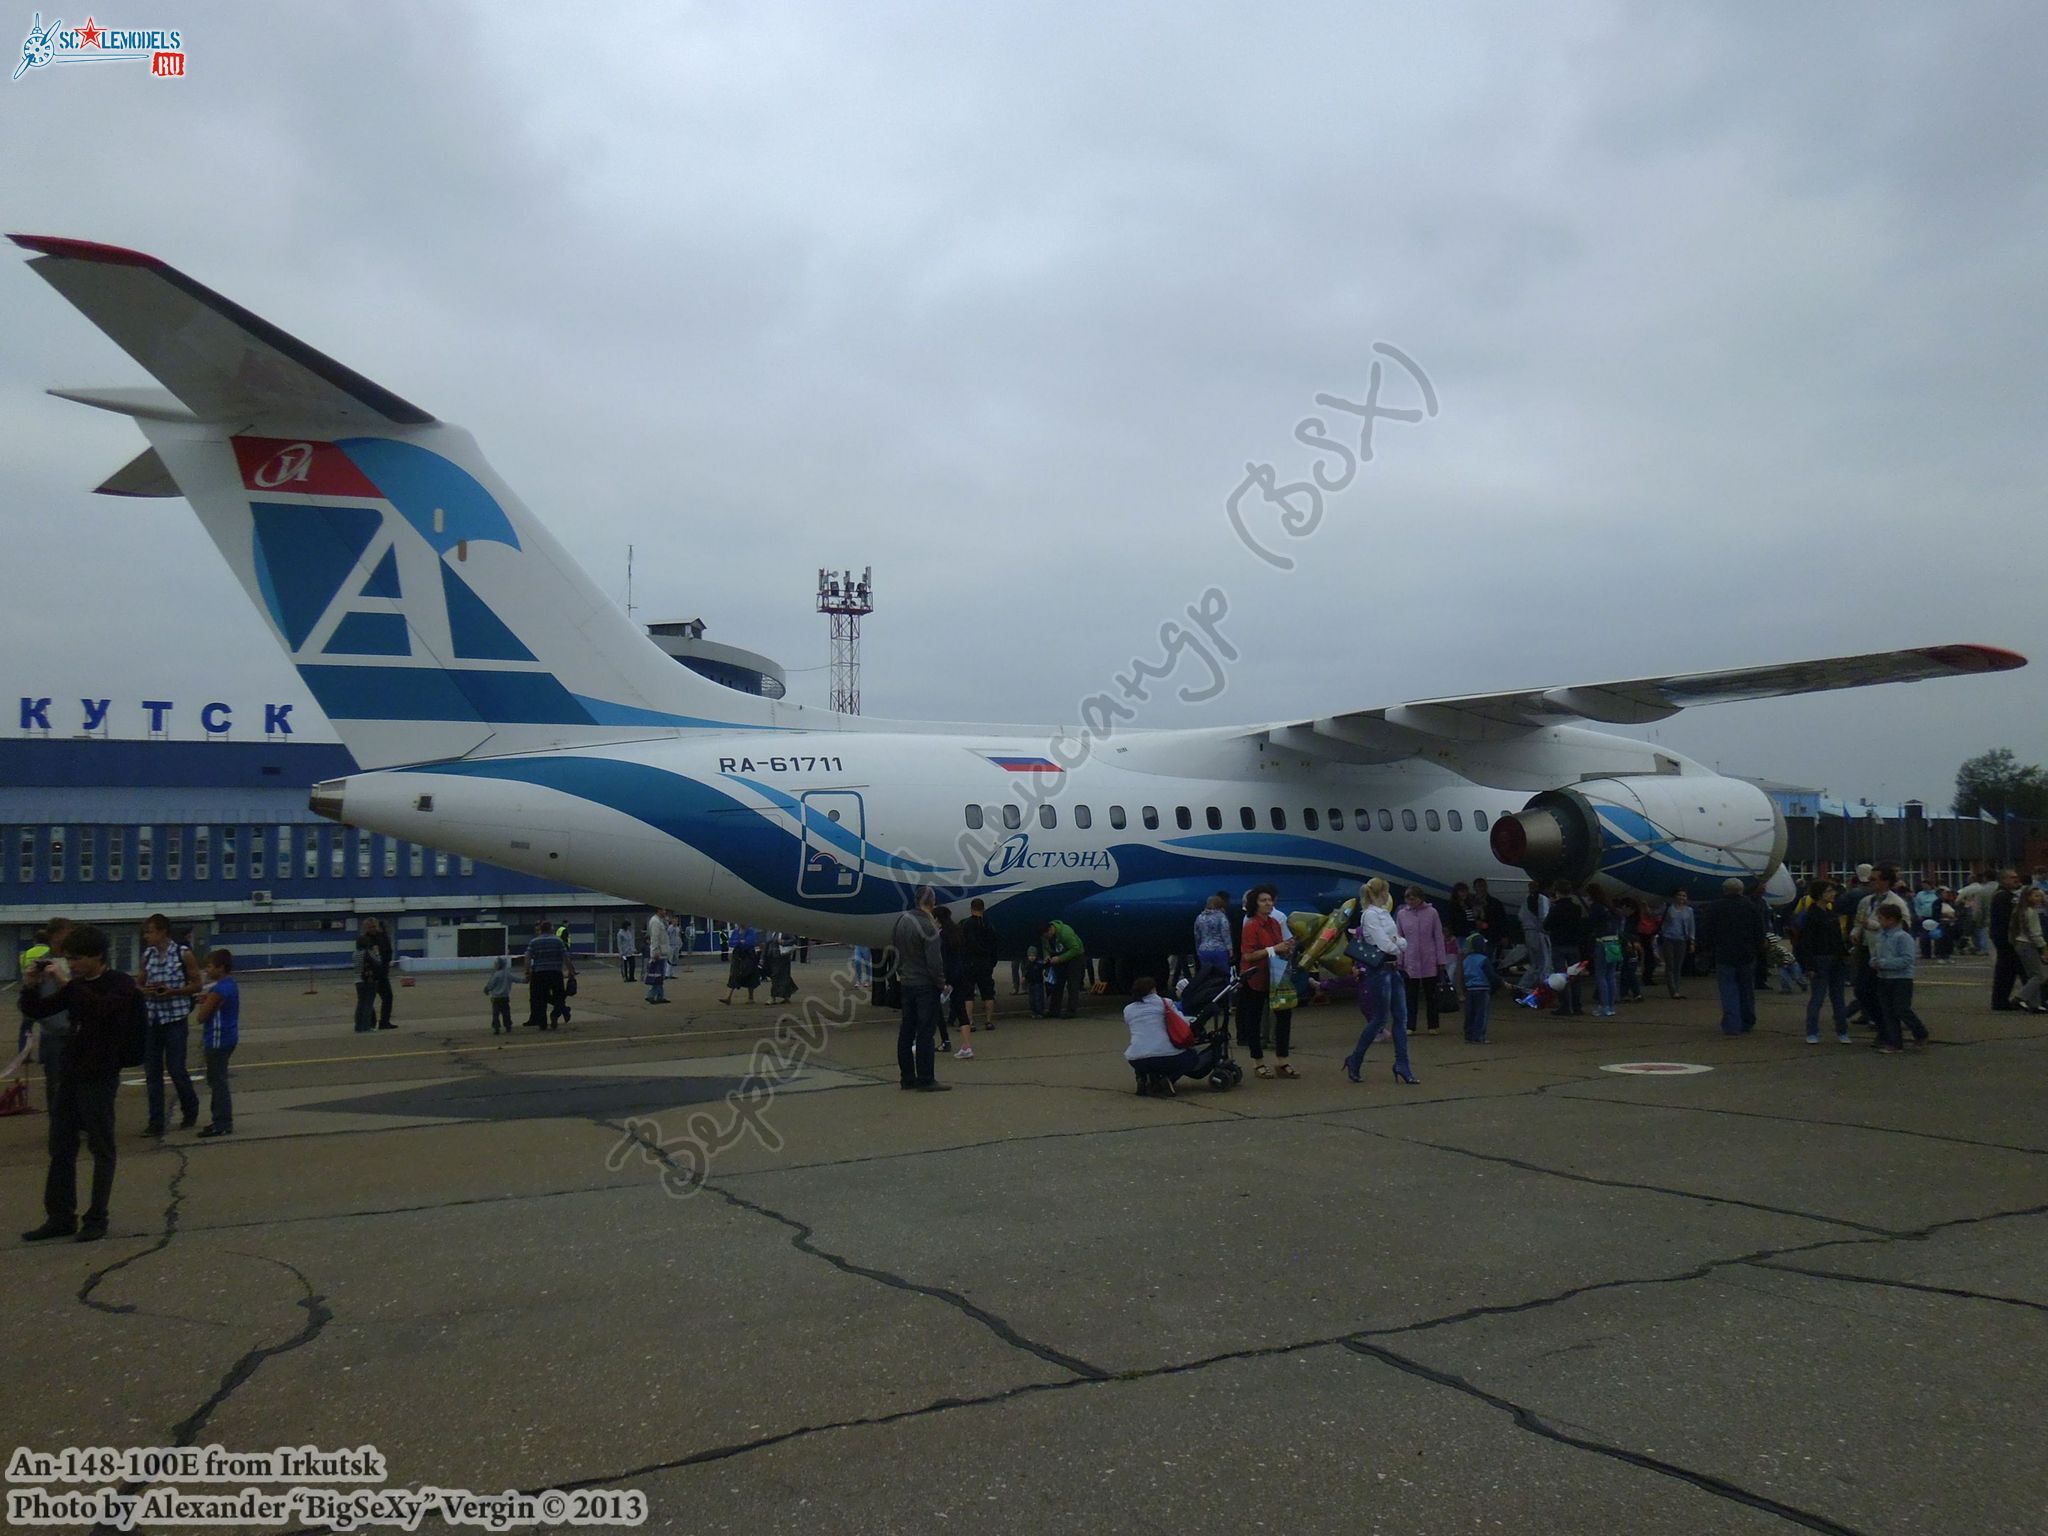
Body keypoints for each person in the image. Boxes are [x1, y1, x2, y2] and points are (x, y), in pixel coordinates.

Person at [19, 925, 141, 1242]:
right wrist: (30, 987)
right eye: (68, 958)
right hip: (71, 1073)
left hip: (100, 1075)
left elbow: (99, 1009)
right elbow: (39, 1010)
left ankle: (97, 1217)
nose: (71, 965)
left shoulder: (120, 985)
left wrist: (67, 984)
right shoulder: (76, 987)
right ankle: (60, 1215)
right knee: (60, 1145)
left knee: (101, 1146)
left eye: (77, 959)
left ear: (97, 956)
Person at [1343, 878, 1415, 1083]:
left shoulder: (1383, 914)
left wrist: (1398, 943)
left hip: (1392, 969)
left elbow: (1397, 941)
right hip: (1379, 970)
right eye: (1386, 892)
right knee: (1380, 1019)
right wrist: (1398, 944)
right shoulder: (1370, 915)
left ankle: (1402, 1063)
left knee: (1401, 1018)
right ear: (1381, 893)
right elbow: (1388, 944)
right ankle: (1356, 1058)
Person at [137, 913, 202, 1135]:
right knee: (152, 1072)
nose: (147, 936)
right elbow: (140, 983)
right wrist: (147, 990)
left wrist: (173, 991)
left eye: (150, 931)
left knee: (176, 1069)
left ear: (163, 931)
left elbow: (197, 984)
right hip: (153, 1019)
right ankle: (155, 1122)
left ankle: (190, 1107)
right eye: (146, 932)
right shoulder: (148, 955)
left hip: (175, 1018)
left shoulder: (183, 954)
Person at [891, 888, 948, 1091]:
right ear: (932, 903)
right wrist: (941, 983)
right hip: (925, 985)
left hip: (907, 982)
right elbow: (934, 962)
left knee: (906, 1030)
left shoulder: (902, 921)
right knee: (925, 1032)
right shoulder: (928, 926)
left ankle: (907, 1077)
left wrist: (901, 974)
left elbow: (895, 951)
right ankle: (926, 1078)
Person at [1237, 885, 1297, 1078]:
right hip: (1255, 977)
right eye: (1263, 900)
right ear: (1255, 903)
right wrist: (1274, 949)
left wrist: (1287, 948)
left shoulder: (1274, 923)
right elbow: (1248, 955)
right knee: (1254, 1020)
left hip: (1276, 976)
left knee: (1284, 1016)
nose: (1268, 903)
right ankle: (1258, 1062)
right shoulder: (1251, 925)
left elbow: (1279, 946)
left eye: (1270, 900)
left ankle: (1282, 1060)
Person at [1123, 976, 1219, 1096]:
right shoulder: (1165, 1003)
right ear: (1153, 990)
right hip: (1163, 1056)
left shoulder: (1128, 1009)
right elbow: (1183, 1023)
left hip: (1135, 1058)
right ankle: (1167, 1080)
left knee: (1144, 1049)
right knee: (1191, 1057)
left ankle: (1143, 1078)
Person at [1699, 877, 1765, 1034]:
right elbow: (1759, 930)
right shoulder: (1750, 906)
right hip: (1747, 953)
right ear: (1741, 890)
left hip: (1724, 954)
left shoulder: (1715, 907)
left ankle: (1732, 1024)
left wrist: (1708, 949)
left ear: (1724, 890)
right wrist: (1758, 948)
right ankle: (1748, 1020)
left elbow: (1707, 930)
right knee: (1746, 989)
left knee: (1728, 990)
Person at [1793, 879, 1852, 1044]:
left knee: (1836, 997)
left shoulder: (1828, 913)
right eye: (1829, 891)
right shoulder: (1813, 915)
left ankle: (1840, 1031)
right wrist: (1809, 965)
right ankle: (1815, 1032)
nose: (1833, 894)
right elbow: (1805, 943)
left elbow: (1837, 939)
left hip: (1834, 958)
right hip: (1820, 959)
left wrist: (1844, 955)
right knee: (1819, 997)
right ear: (1820, 894)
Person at [189, 950, 239, 1138]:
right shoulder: (229, 985)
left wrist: (204, 1003)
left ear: (221, 967)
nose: (207, 969)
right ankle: (220, 1119)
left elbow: (202, 1017)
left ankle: (222, 1122)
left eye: (210, 966)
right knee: (218, 1079)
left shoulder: (219, 990)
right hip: (228, 1037)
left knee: (217, 1081)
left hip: (218, 1040)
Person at [1869, 904, 1926, 1052]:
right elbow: (1875, 954)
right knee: (1888, 1011)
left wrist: (1883, 963)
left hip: (1901, 979)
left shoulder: (1902, 937)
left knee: (1901, 1008)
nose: (1879, 921)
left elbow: (1907, 959)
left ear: (1891, 920)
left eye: (1881, 918)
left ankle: (1920, 1032)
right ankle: (1895, 1043)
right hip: (1883, 978)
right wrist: (1873, 961)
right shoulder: (1880, 936)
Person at [1395, 886, 1448, 1033]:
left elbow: (1438, 937)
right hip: (1410, 959)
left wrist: (1441, 959)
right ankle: (1410, 1025)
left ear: (1421, 898)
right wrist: (1399, 959)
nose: (1410, 902)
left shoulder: (1432, 913)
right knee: (1410, 996)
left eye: (1413, 898)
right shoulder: (1401, 914)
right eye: (1408, 899)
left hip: (1429, 959)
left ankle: (1433, 1025)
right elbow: (1399, 937)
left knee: (1431, 995)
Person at [1544, 884, 1585, 1016]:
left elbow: (1546, 925)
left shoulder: (1556, 909)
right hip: (1573, 945)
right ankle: (1577, 1005)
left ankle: (1565, 1006)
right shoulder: (1576, 908)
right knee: (1575, 977)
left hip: (1559, 945)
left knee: (1560, 977)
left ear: (1557, 892)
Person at [963, 898, 1000, 1036]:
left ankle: (970, 1022)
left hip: (971, 962)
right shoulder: (988, 925)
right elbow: (994, 944)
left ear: (971, 908)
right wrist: (992, 960)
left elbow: (964, 944)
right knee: (988, 993)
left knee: (968, 994)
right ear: (983, 909)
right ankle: (988, 1021)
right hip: (985, 962)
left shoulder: (967, 924)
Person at [524, 921, 570, 1031]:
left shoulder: (534, 942)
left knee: (540, 999)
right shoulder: (558, 941)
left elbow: (527, 958)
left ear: (541, 929)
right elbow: (565, 957)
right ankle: (555, 1014)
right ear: (550, 929)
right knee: (559, 997)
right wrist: (571, 970)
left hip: (539, 973)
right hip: (555, 972)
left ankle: (542, 1023)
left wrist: (527, 971)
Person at [1584, 885, 1621, 1017]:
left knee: (1600, 975)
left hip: (1602, 942)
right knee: (1611, 975)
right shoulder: (1610, 908)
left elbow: (1590, 924)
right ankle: (1611, 1006)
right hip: (1614, 942)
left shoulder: (1596, 907)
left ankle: (1604, 1006)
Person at [2010, 886, 2046, 1013]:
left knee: (2033, 975)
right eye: (2036, 895)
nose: (2039, 898)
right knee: (2040, 976)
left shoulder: (2021, 910)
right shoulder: (2031, 912)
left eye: (2040, 895)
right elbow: (2035, 933)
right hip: (2029, 944)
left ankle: (2034, 1004)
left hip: (2021, 944)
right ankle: (2020, 997)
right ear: (2028, 897)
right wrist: (2043, 947)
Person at [1989, 870, 2021, 1010]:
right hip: (2005, 938)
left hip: (2005, 937)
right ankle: (2000, 1002)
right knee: (2006, 971)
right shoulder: (2003, 897)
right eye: (2012, 878)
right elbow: (2005, 920)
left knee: (2009, 970)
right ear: (2003, 880)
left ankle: (2003, 1000)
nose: (2016, 880)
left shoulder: (2006, 896)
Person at [1042, 918, 1085, 1019]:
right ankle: (1054, 1010)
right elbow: (1045, 947)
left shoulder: (1066, 933)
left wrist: (1060, 958)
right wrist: (1047, 955)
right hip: (1060, 956)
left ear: (1051, 929)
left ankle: (1071, 1011)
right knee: (1057, 983)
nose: (1046, 938)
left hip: (1075, 957)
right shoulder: (1045, 936)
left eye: (1047, 935)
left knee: (1072, 984)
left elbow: (1076, 948)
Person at [1658, 890, 1695, 999]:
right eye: (1679, 895)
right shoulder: (1668, 908)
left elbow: (1691, 927)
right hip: (1668, 938)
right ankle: (1673, 990)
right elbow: (1654, 913)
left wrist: (1692, 941)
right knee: (1670, 964)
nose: (1681, 897)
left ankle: (1677, 989)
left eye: (1684, 895)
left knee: (1678, 966)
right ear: (1674, 897)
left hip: (1682, 939)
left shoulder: (1689, 910)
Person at [1460, 933, 1496, 1044]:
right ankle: (1479, 1036)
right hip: (1482, 989)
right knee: (1481, 1013)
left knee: (1470, 1013)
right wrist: (1500, 983)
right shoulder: (1483, 959)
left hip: (1470, 989)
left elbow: (1462, 976)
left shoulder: (1466, 960)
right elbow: (1491, 975)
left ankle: (1469, 1035)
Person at [1192, 894, 1233, 982]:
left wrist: (1198, 949)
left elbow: (1197, 935)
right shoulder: (1221, 917)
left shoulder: (1200, 917)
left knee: (1207, 976)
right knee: (1223, 975)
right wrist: (1230, 949)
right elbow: (1225, 933)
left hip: (1204, 950)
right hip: (1219, 950)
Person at [366, 917, 397, 1030]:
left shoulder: (383, 937)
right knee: (369, 1000)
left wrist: (385, 963)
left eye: (374, 926)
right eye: (370, 927)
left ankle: (384, 1021)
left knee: (388, 997)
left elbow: (389, 952)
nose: (372, 929)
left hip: (383, 973)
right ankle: (371, 1022)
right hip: (371, 975)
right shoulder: (365, 940)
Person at [1614, 895, 1646, 1002]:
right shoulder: (1627, 920)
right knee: (1626, 971)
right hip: (1626, 945)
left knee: (1628, 971)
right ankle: (1627, 993)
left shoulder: (1631, 921)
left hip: (1629, 946)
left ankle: (1634, 993)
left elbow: (1630, 934)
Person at [1519, 885, 1552, 985]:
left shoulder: (1527, 899)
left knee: (1535, 963)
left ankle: (1524, 985)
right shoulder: (1542, 899)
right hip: (1538, 932)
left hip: (1528, 932)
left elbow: (1520, 916)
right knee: (1544, 962)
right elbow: (1544, 915)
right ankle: (1542, 986)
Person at [721, 926, 761, 1005]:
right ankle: (728, 997)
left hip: (749, 955)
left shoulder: (751, 931)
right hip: (737, 955)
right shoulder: (735, 931)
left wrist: (741, 942)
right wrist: (740, 942)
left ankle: (750, 998)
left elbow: (751, 942)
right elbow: (731, 942)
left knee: (750, 975)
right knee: (733, 974)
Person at [352, 938, 379, 1033]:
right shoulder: (367, 952)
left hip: (358, 981)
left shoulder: (355, 953)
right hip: (368, 981)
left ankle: (358, 1026)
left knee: (360, 1004)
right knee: (368, 1004)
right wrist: (376, 952)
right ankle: (366, 1026)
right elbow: (377, 962)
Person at [484, 956, 515, 1034]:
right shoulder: (508, 974)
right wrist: (526, 980)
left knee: (496, 1014)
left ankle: (496, 1028)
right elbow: (516, 979)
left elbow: (491, 984)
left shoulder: (496, 975)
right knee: (506, 1013)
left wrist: (487, 989)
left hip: (496, 998)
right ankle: (508, 1026)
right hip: (505, 997)